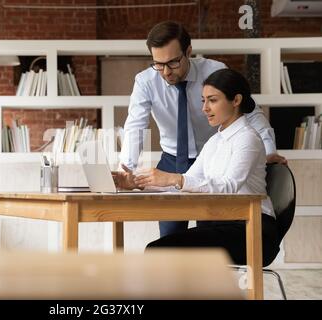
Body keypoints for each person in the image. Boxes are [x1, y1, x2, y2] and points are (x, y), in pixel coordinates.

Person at [114, 21, 286, 239]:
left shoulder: (214, 72)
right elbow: (135, 126)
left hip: (215, 159)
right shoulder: (146, 81)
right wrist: (128, 172)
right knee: (170, 236)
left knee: (209, 229)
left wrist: (268, 149)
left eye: (173, 62)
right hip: (173, 158)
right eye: (158, 64)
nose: (166, 72)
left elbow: (251, 111)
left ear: (188, 52)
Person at [136, 68, 280, 266]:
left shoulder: (248, 138)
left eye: (212, 100)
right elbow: (188, 182)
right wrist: (138, 183)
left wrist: (174, 178)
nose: (204, 108)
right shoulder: (215, 141)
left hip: (252, 229)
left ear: (236, 100)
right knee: (160, 249)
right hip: (223, 224)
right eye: (203, 100)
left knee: (159, 251)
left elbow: (228, 187)